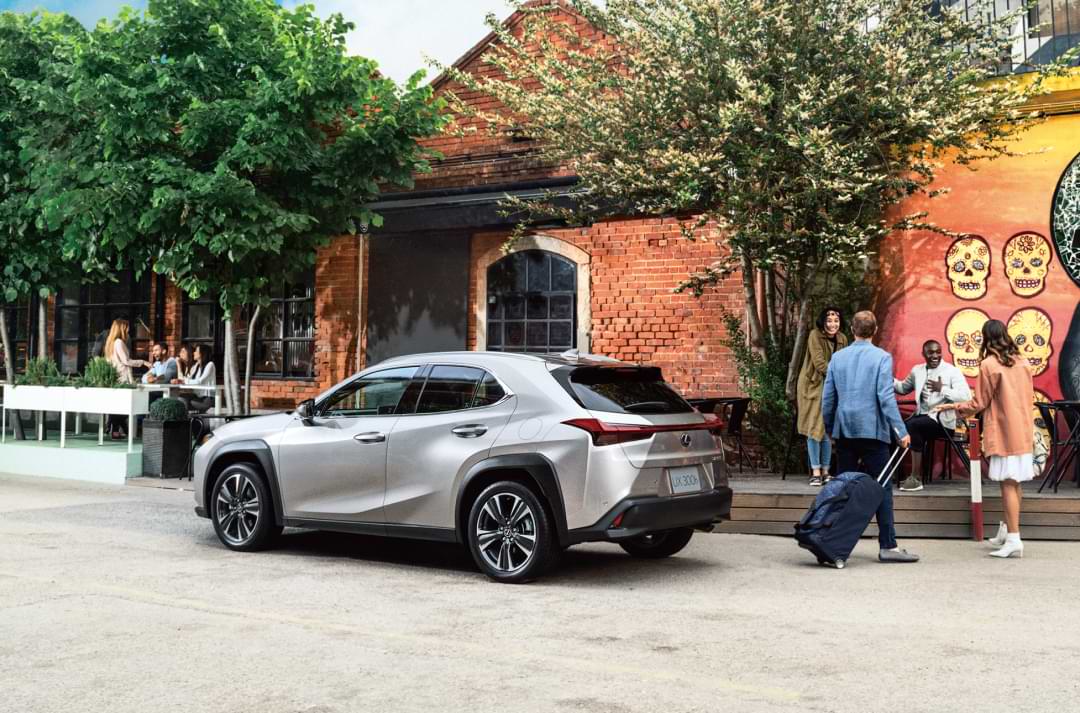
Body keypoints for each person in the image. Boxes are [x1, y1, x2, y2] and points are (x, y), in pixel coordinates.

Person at [822, 310, 919, 563]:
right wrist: (901, 431)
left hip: (845, 431)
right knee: (882, 488)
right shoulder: (882, 358)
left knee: (843, 488)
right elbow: (885, 398)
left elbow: (828, 399)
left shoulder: (838, 357)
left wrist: (831, 428)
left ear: (852, 330)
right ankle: (888, 545)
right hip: (873, 432)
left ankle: (832, 545)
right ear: (874, 330)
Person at [933, 320, 1034, 558]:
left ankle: (1014, 539)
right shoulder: (1023, 361)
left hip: (1004, 430)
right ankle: (1007, 530)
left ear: (985, 338)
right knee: (1015, 482)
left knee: (1008, 483)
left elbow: (979, 403)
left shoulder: (989, 364)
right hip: (1023, 429)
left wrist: (952, 406)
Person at [893, 340, 971, 491]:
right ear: (924, 354)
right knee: (898, 427)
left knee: (913, 425)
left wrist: (942, 388)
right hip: (922, 419)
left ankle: (915, 477)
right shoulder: (918, 370)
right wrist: (887, 380)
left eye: (938, 352)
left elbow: (965, 396)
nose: (935, 355)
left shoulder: (951, 371)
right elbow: (903, 388)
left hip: (942, 422)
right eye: (931, 353)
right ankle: (897, 474)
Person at [797, 307, 849, 486]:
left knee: (827, 428)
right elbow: (819, 363)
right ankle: (816, 471)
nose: (833, 324)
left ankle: (826, 470)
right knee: (814, 428)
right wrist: (838, 377)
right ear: (823, 321)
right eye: (829, 320)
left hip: (833, 386)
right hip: (813, 386)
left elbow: (845, 361)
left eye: (836, 321)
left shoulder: (842, 338)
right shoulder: (815, 335)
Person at [104, 319, 151, 439]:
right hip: (122, 378)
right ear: (121, 328)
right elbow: (126, 361)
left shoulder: (111, 343)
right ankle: (114, 427)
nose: (129, 330)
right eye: (127, 327)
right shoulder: (119, 342)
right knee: (124, 406)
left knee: (118, 406)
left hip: (116, 377)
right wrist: (143, 362)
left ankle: (113, 429)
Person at [179, 343, 217, 413]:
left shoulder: (210, 365)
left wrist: (184, 381)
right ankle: (187, 420)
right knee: (182, 398)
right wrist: (180, 381)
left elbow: (200, 381)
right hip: (198, 397)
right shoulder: (197, 366)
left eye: (196, 351)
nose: (194, 353)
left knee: (183, 402)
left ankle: (186, 421)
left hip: (207, 399)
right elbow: (190, 379)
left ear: (202, 353)